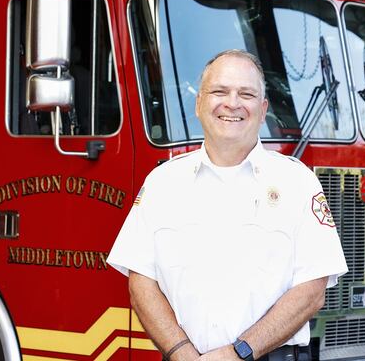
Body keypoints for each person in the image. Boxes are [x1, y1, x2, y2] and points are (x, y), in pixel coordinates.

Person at [107, 49, 348, 361]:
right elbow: (141, 282)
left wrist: (240, 352)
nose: (232, 103)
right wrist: (182, 354)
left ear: (263, 110)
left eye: (246, 94)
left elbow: (312, 290)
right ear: (198, 104)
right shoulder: (161, 183)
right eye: (219, 91)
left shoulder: (298, 183)